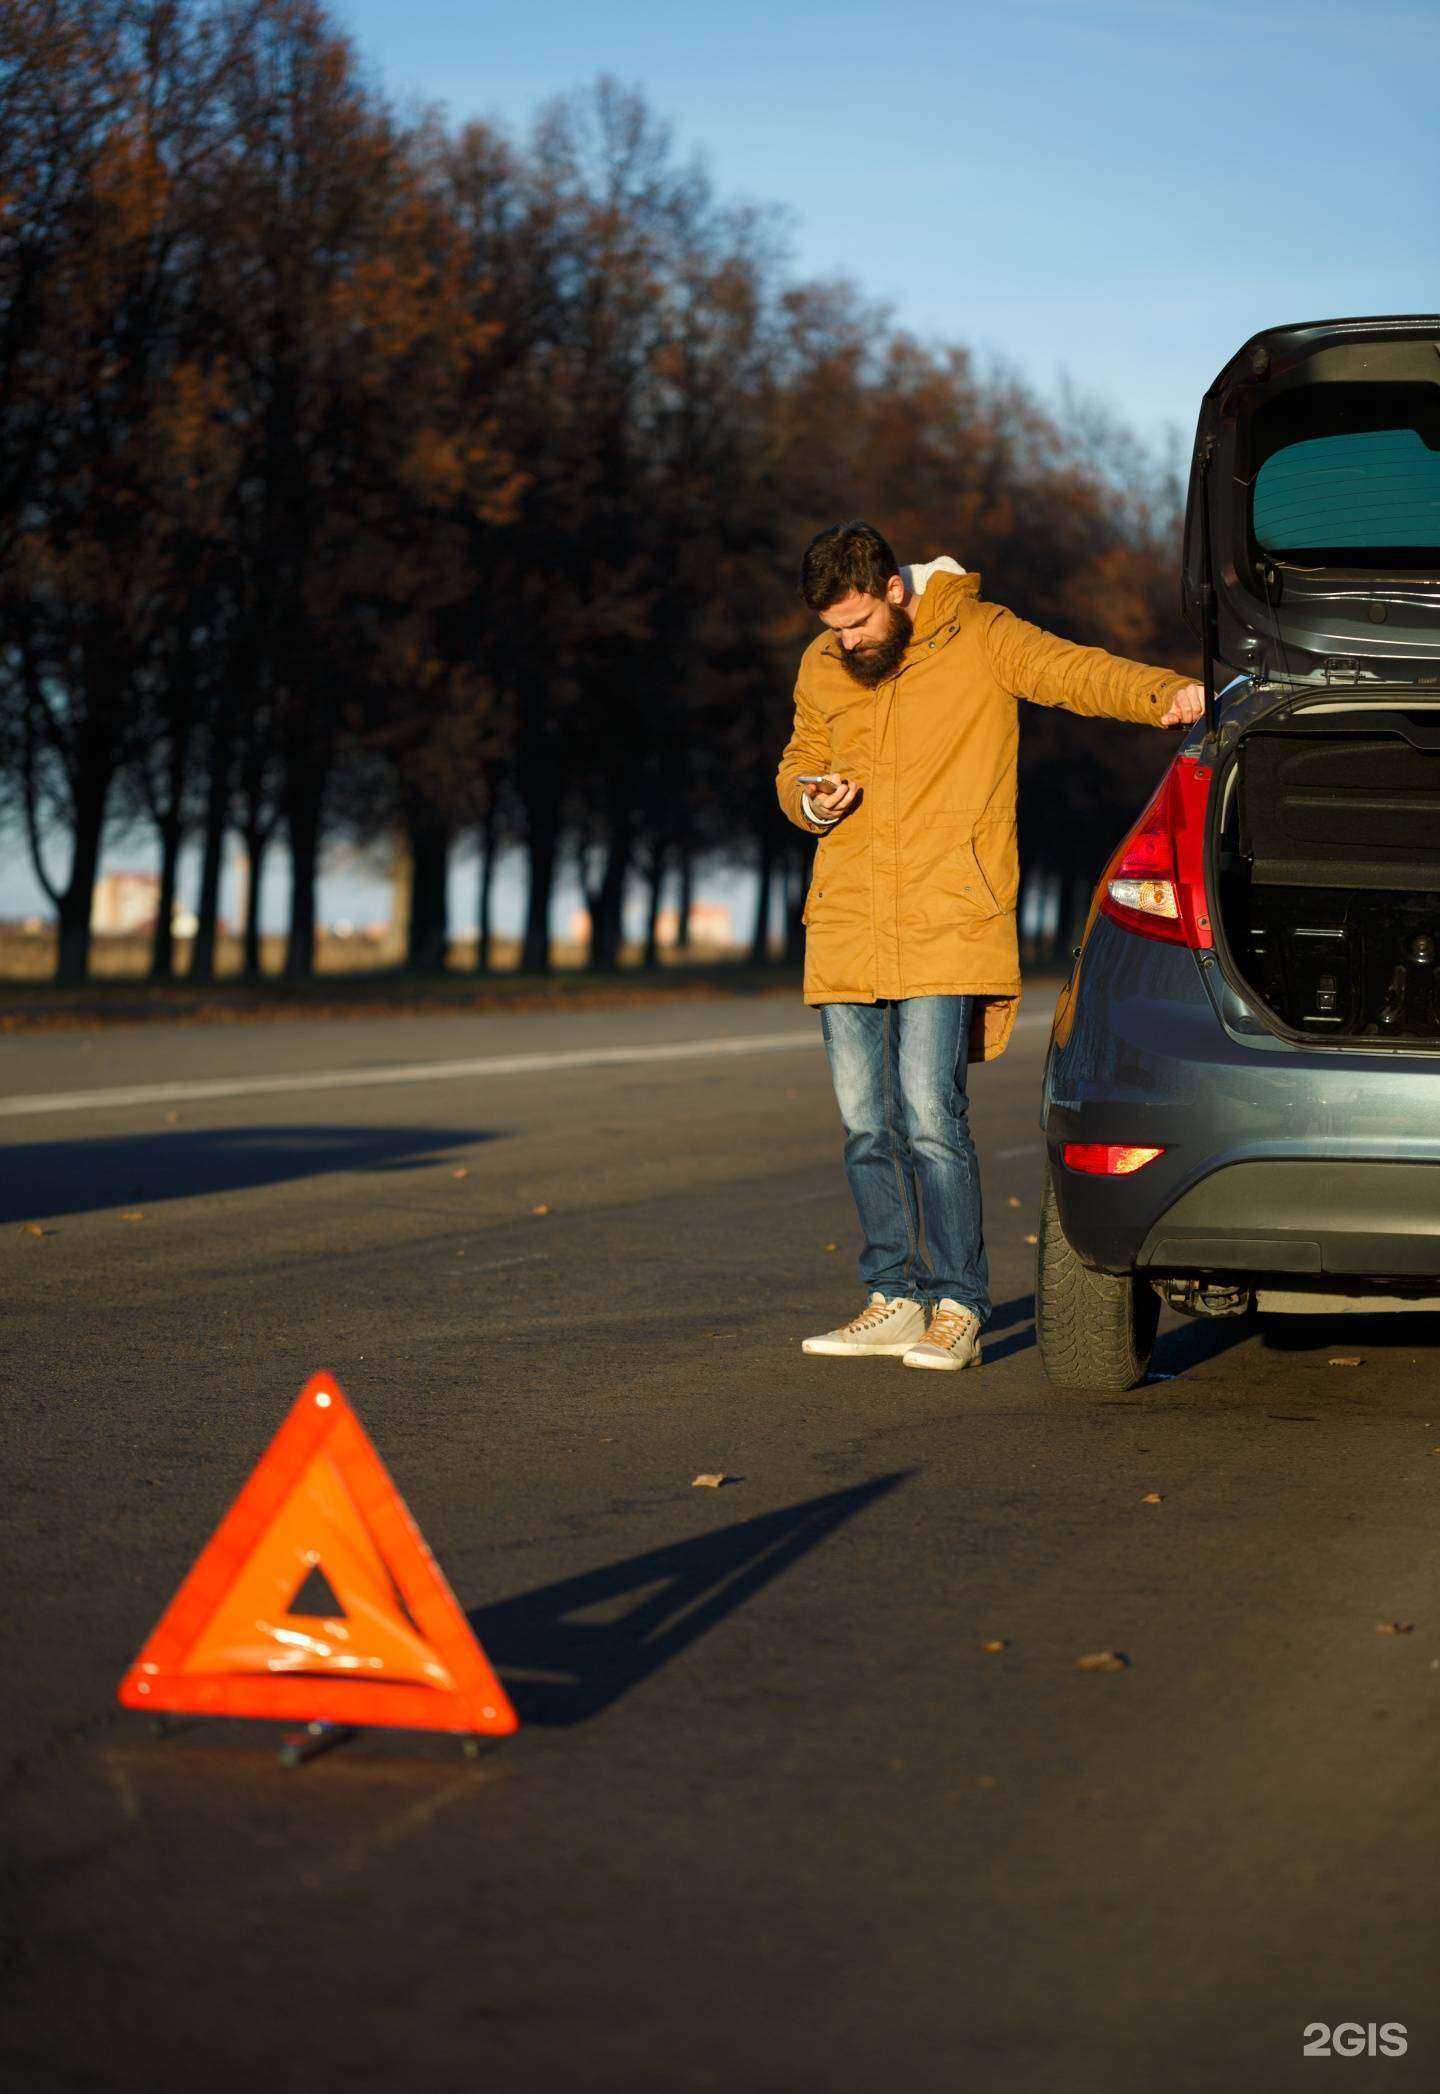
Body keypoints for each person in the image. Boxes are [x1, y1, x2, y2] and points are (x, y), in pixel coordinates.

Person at [777, 521, 1204, 1372]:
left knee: (931, 1117)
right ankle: (892, 1294)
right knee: (866, 1125)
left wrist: (1164, 693)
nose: (846, 641)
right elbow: (799, 760)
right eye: (833, 629)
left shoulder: (979, 636)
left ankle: (958, 1306)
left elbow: (1073, 670)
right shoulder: (823, 666)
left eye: (857, 622)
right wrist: (810, 799)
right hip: (849, 917)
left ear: (894, 590)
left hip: (947, 913)